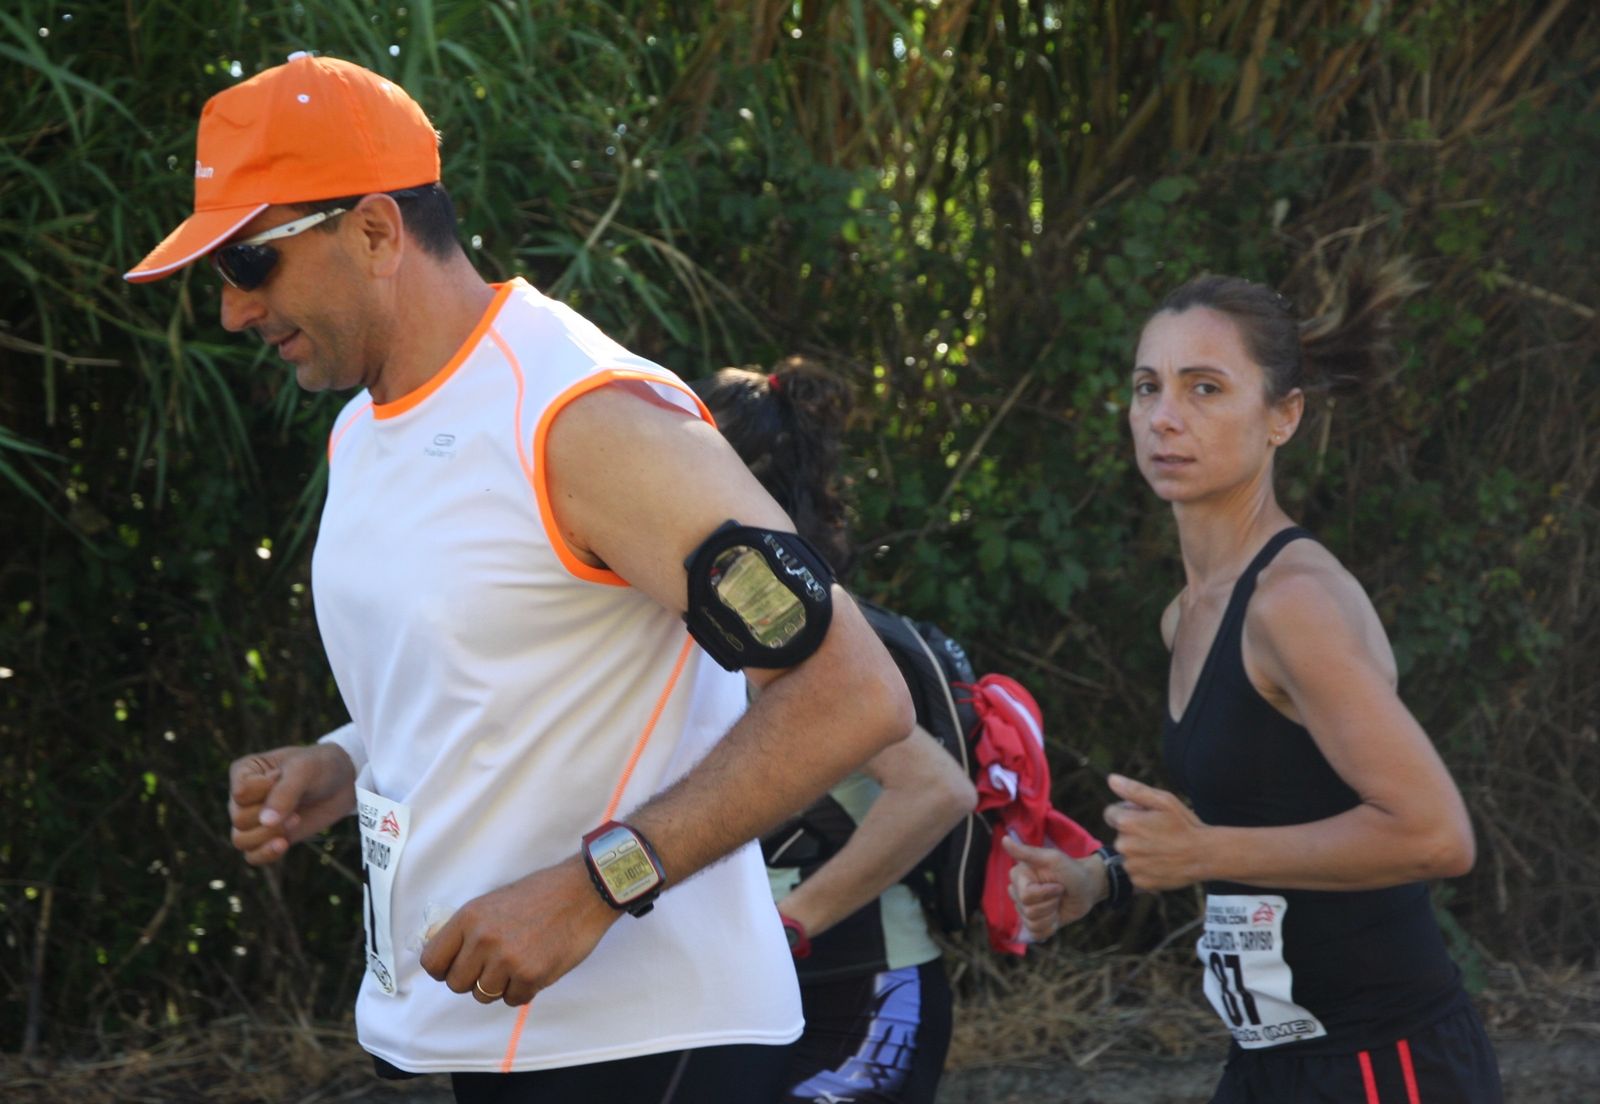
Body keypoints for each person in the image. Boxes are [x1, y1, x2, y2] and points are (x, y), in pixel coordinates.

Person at [124, 53, 913, 1103]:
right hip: (494, 1037)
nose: (231, 312)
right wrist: (347, 760)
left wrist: (595, 885)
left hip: (648, 1045)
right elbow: (509, 667)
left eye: (248, 264)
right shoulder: (363, 430)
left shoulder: (584, 418)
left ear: (375, 230)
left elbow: (851, 693)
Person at [1003, 268, 1503, 1102]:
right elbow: (1256, 813)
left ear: (1284, 417)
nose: (1164, 417)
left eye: (1205, 389)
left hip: (1383, 1060)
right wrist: (1102, 878)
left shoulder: (1292, 604)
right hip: (1269, 1059)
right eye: (1148, 387)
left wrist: (1203, 854)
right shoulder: (1188, 614)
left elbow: (1434, 835)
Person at [692, 359, 977, 1104]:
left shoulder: (792, 631)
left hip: (867, 992)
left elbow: (937, 792)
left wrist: (786, 928)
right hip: (753, 1001)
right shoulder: (704, 623)